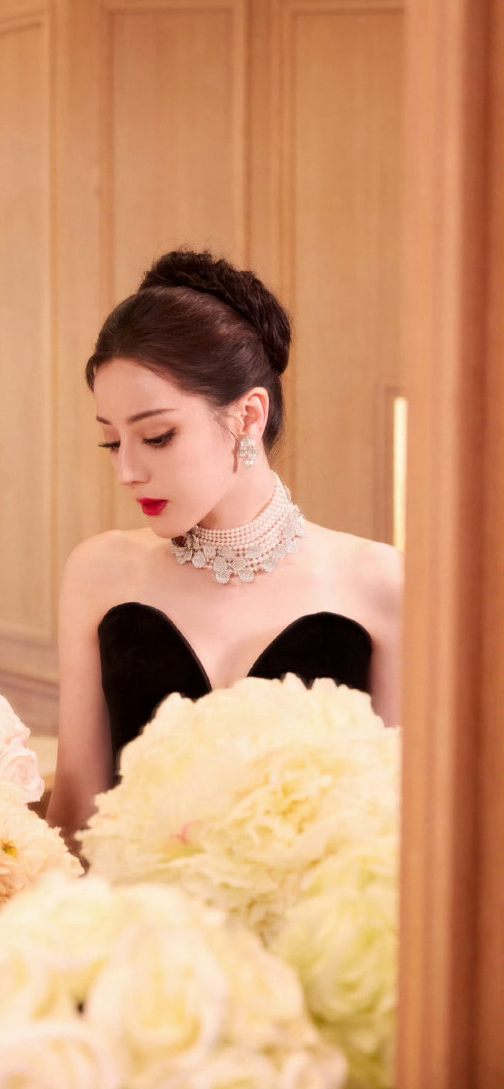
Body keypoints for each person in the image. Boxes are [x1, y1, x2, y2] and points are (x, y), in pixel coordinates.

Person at [45, 249, 403, 853]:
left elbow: (397, 829)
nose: (127, 471)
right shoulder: (98, 573)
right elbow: (76, 817)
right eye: (112, 443)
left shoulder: (378, 582)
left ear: (248, 415)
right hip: (131, 909)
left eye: (157, 436)